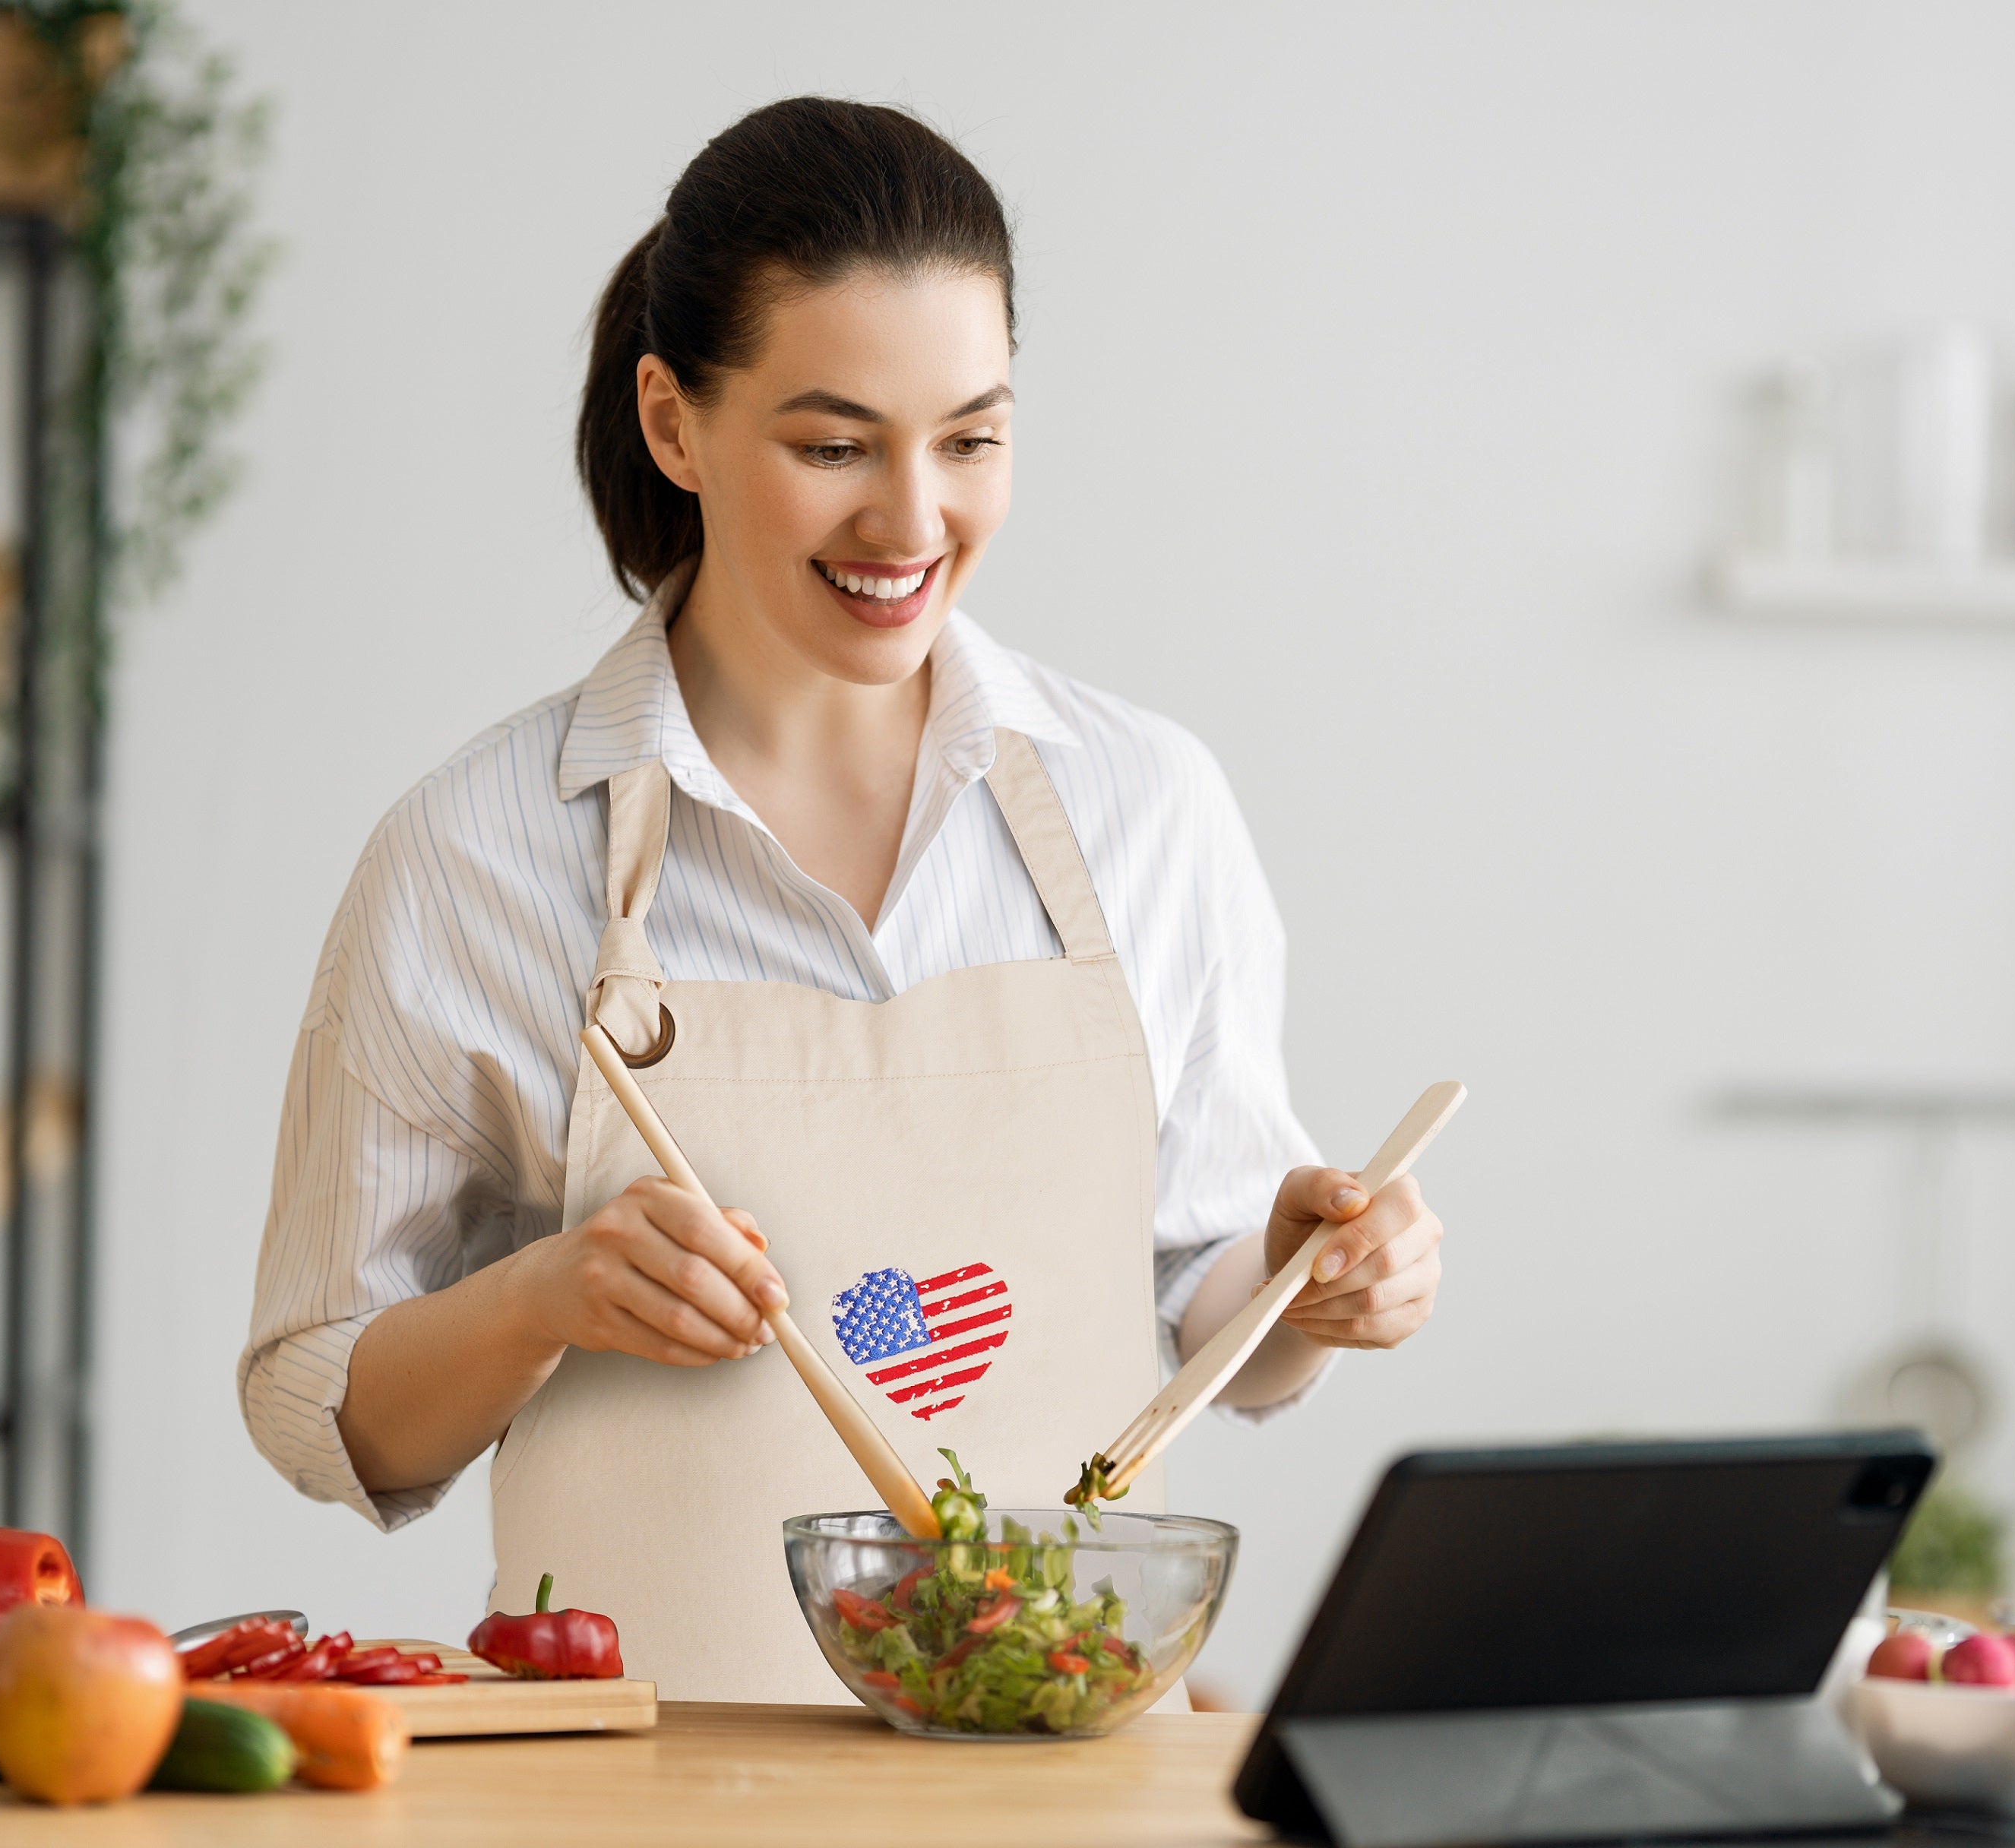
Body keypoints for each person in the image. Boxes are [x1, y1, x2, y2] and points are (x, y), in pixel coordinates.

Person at [240, 97, 1445, 1703]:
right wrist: (548, 1292)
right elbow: (320, 1405)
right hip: (635, 1803)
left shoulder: (1145, 805)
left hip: (1054, 1788)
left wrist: (1313, 1280)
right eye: (832, 446)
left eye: (970, 437)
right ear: (675, 423)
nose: (911, 519)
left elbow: (1215, 1317)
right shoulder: (475, 854)